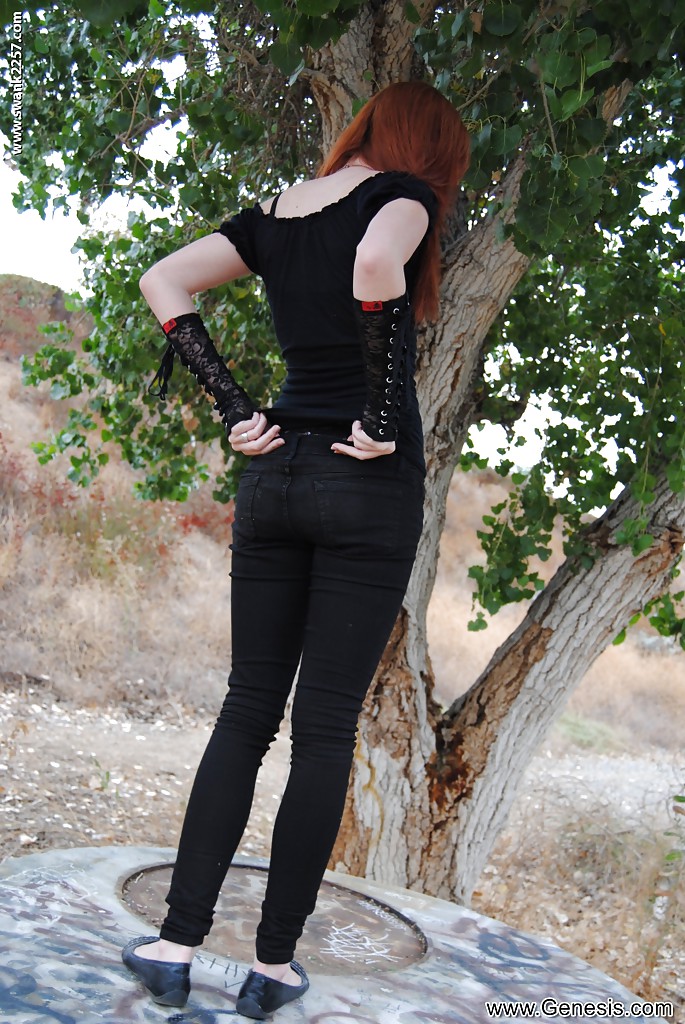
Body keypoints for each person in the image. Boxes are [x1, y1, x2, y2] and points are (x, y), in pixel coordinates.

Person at [121, 79, 470, 1019]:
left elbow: (162, 280)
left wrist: (235, 409)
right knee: (322, 731)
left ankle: (173, 944)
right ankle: (272, 966)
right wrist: (383, 413)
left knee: (245, 713)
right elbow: (376, 263)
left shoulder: (275, 214)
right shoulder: (403, 195)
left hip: (273, 473)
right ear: (428, 148)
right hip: (365, 483)